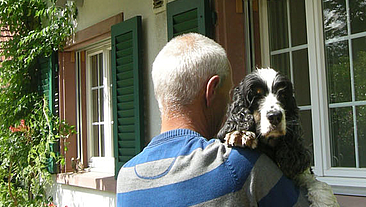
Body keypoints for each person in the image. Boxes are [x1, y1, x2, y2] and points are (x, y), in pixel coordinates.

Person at [116, 33, 310, 207]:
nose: (229, 104)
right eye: (229, 93)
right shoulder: (240, 164)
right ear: (212, 91)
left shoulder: (126, 177)